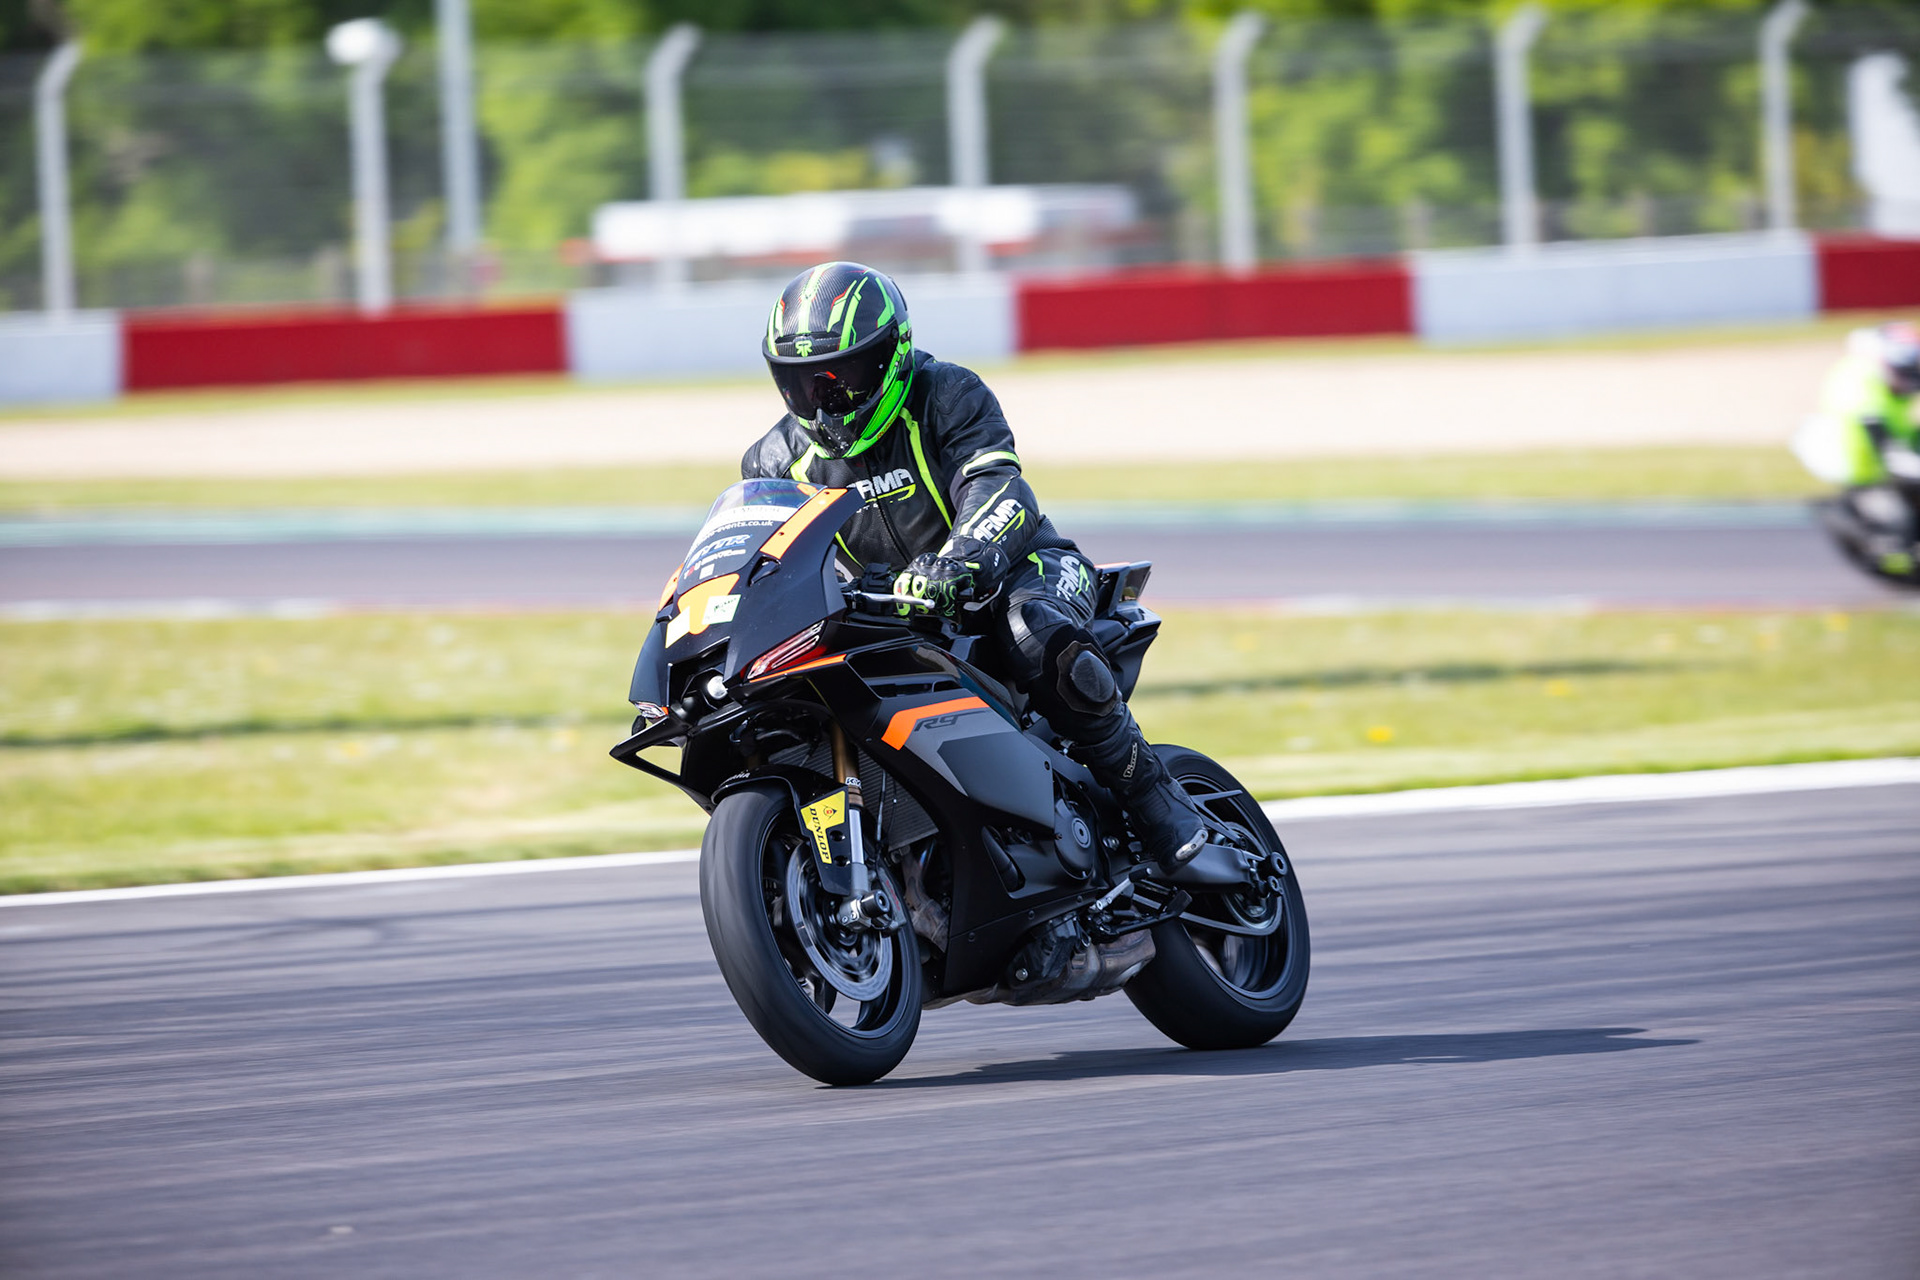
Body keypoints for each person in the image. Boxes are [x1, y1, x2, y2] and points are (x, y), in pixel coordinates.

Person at [740, 260, 1212, 875]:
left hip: (1022, 568)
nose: (826, 403)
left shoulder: (946, 394)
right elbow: (762, 560)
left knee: (1031, 629)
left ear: (892, 356)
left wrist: (959, 562)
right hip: (893, 612)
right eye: (804, 385)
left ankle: (1154, 798)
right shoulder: (772, 462)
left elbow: (999, 487)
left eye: (843, 378)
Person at [1792, 320, 1920, 575]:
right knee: (1900, 525)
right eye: (1907, 370)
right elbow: (1884, 445)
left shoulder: (1886, 373)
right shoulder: (1861, 384)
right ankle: (1897, 554)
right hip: (1860, 466)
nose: (1912, 378)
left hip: (1885, 449)